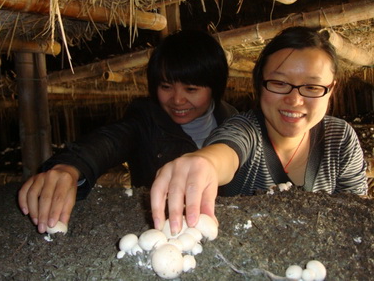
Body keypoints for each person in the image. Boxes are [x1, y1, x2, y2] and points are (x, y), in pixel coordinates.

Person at [150, 26, 368, 235]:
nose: (294, 100)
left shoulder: (340, 139)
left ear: (331, 89)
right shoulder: (245, 129)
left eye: (312, 87)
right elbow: (225, 150)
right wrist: (203, 163)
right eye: (279, 83)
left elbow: (355, 214)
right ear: (259, 84)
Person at [18, 30, 238, 233]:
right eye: (166, 87)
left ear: (215, 88)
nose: (177, 100)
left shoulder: (235, 123)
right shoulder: (145, 120)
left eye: (191, 89)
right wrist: (71, 167)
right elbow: (110, 141)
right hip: (164, 232)